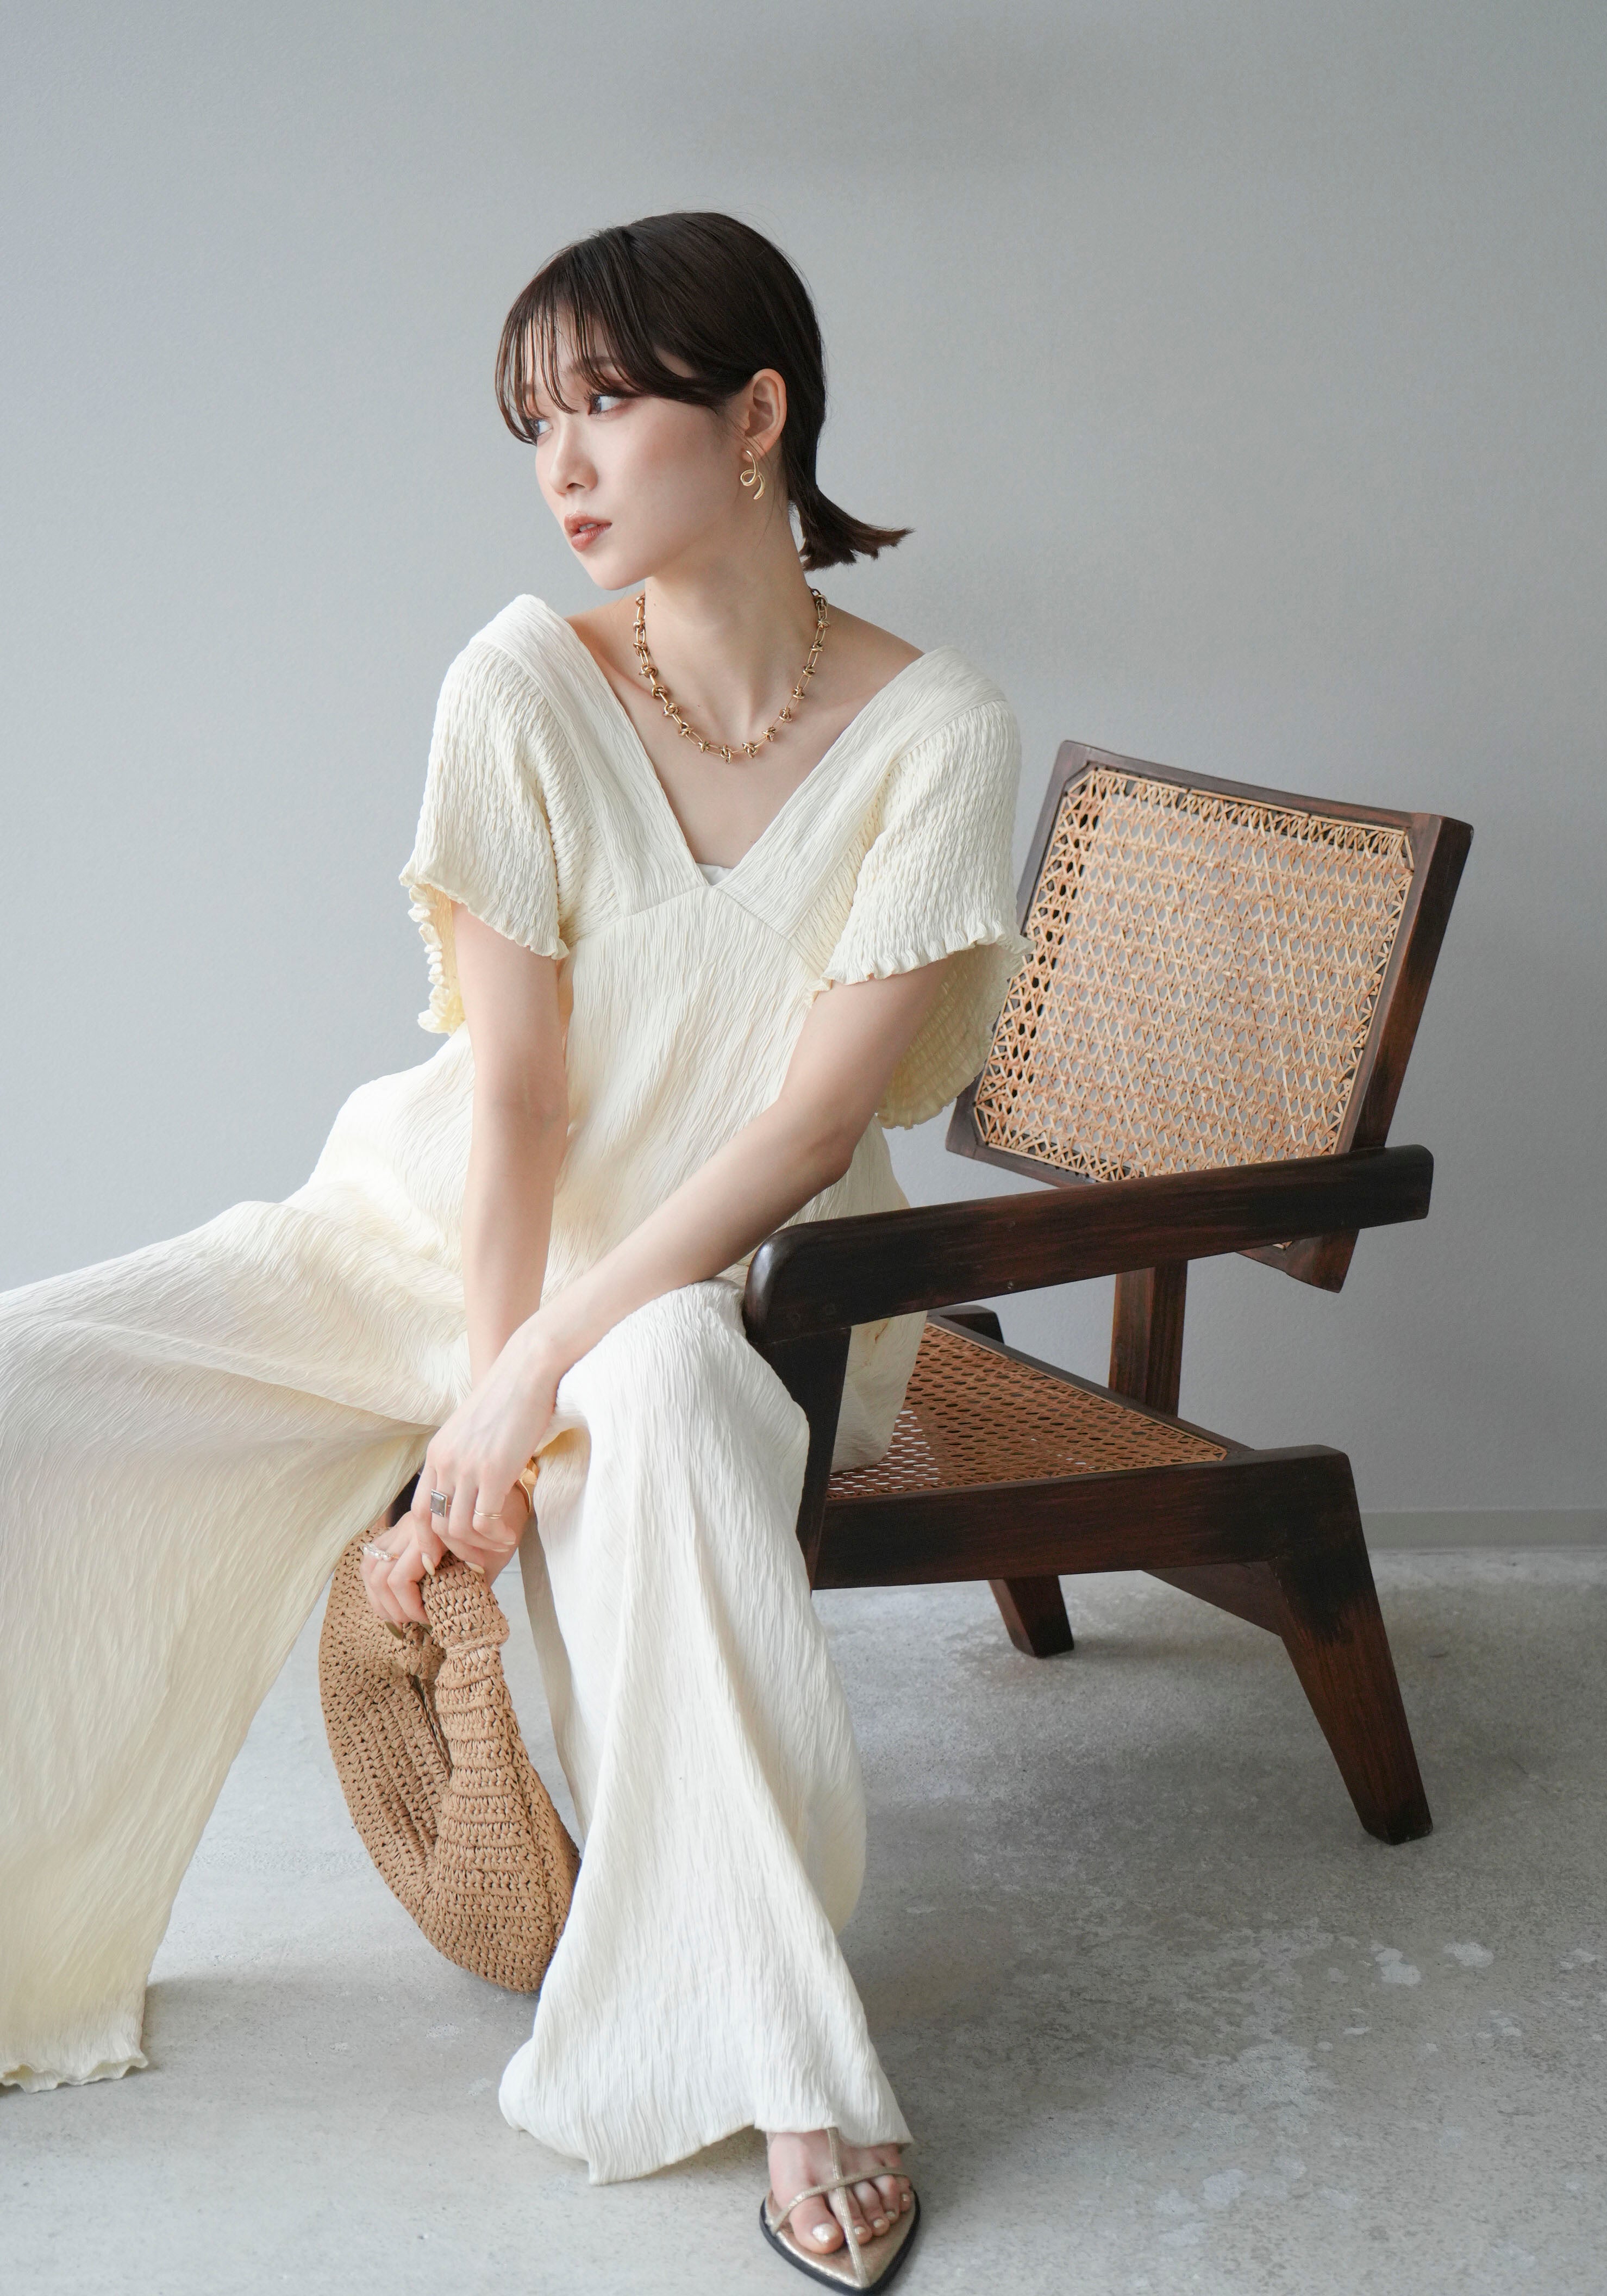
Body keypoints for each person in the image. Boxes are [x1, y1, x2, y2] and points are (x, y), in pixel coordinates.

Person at [0, 211, 1026, 2289]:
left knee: (661, 1396)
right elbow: (519, 1103)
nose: (562, 464)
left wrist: (539, 1375)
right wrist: (492, 1384)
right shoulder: (519, 683)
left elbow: (807, 1130)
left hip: (754, 1295)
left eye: (609, 405)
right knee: (31, 1390)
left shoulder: (940, 733)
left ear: (758, 414)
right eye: (533, 420)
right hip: (435, 1240)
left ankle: (794, 2067)